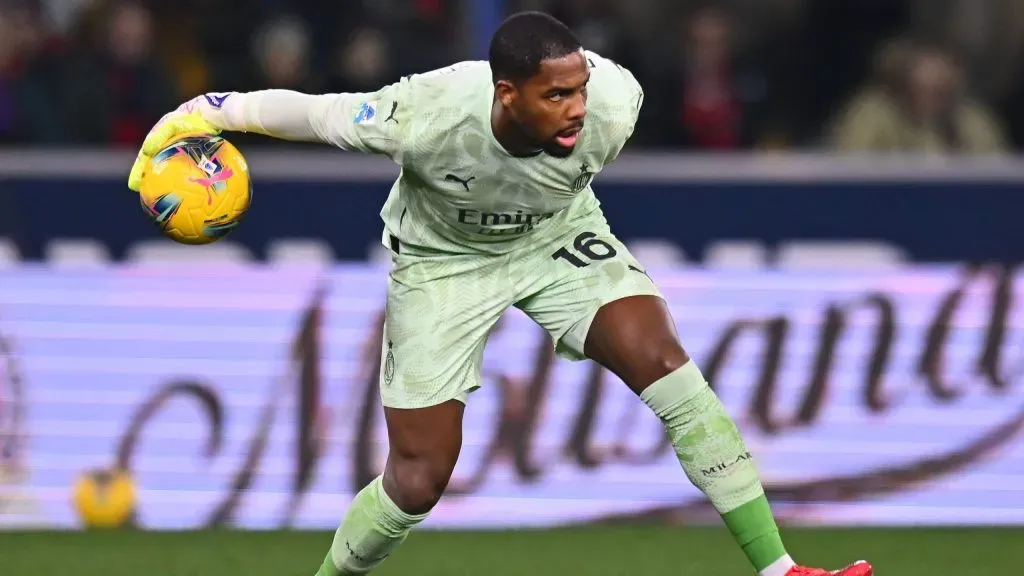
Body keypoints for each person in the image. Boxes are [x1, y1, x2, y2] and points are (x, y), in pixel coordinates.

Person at [127, 11, 873, 576]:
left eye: (579, 89)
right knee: (419, 479)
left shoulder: (616, 105)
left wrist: (580, 115)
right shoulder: (424, 114)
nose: (577, 109)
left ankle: (781, 570)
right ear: (507, 94)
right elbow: (313, 113)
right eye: (557, 96)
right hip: (443, 263)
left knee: (663, 359)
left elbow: (587, 122)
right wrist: (204, 112)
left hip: (552, 238)